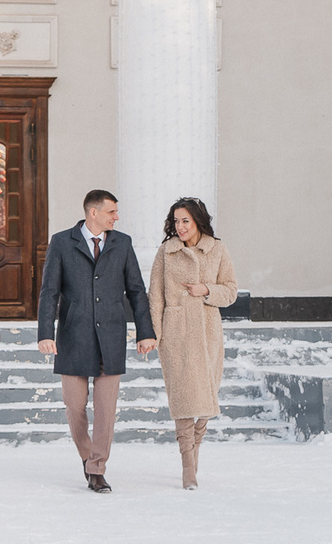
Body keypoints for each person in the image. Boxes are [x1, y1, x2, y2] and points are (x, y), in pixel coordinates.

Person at [36, 189, 155, 493]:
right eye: (112, 211)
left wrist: (145, 332)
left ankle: (97, 469)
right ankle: (88, 455)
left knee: (105, 409)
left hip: (111, 335)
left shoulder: (122, 243)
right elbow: (49, 291)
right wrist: (45, 333)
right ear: (93, 213)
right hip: (73, 335)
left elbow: (136, 291)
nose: (117, 217)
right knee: (74, 406)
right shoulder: (62, 242)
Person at [150, 197, 238, 489]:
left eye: (185, 221)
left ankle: (195, 450)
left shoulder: (217, 249)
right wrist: (155, 335)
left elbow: (231, 291)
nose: (180, 227)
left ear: (199, 221)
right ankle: (188, 466)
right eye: (176, 221)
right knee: (183, 400)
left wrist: (206, 290)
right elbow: (156, 296)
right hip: (176, 334)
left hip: (207, 333)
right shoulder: (167, 251)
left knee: (204, 400)